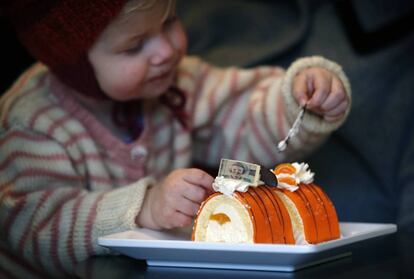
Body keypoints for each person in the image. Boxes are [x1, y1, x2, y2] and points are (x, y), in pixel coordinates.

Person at [0, 0, 351, 277]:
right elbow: (30, 226)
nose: (165, 51)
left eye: (169, 22)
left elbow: (242, 116)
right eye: (135, 46)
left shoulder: (178, 82)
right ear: (73, 64)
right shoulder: (31, 121)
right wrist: (144, 207)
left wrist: (299, 99)